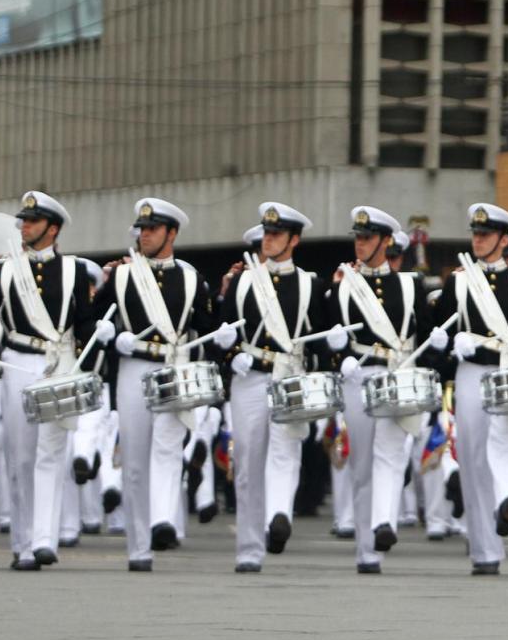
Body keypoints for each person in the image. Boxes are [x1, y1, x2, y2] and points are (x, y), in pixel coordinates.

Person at [0, 191, 102, 570]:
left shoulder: (75, 271)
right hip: (17, 362)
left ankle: (45, 539)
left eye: (33, 221)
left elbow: (84, 323)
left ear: (53, 228)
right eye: (24, 220)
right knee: (21, 456)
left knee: (52, 452)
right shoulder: (7, 270)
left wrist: (99, 337)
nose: (24, 226)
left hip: (59, 361)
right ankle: (23, 542)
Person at [431, 202, 508, 575]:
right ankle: (485, 549)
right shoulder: (458, 281)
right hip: (471, 373)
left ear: (504, 239)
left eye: (486, 234)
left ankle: (507, 503)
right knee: (472, 459)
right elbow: (438, 335)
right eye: (476, 233)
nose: (478, 240)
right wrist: (448, 344)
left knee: (505, 443)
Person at [217, 202, 341, 573]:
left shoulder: (310, 284)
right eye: (266, 233)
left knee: (286, 452)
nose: (268, 240)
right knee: (248, 463)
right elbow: (224, 331)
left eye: (276, 234)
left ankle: (278, 517)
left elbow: (318, 341)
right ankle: (249, 549)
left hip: (290, 377)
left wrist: (331, 352)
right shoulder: (243, 281)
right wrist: (231, 354)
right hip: (250, 377)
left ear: (294, 240)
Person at [94, 198, 218, 571]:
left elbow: (208, 329)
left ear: (171, 233)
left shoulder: (192, 279)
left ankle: (162, 521)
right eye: (142, 229)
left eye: (152, 229)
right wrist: (110, 336)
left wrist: (221, 342)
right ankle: (138, 547)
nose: (144, 235)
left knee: (168, 447)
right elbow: (93, 321)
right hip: (133, 367)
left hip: (174, 367)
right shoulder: (121, 276)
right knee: (134, 460)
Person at [328, 205, 443, 574]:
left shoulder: (410, 285)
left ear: (385, 242)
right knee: (362, 463)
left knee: (391, 455)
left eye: (367, 238)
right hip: (359, 377)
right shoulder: (343, 286)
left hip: (398, 376)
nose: (360, 244)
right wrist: (339, 356)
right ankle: (367, 550)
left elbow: (425, 334)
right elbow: (328, 336)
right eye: (358, 238)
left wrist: (437, 348)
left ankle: (383, 524)